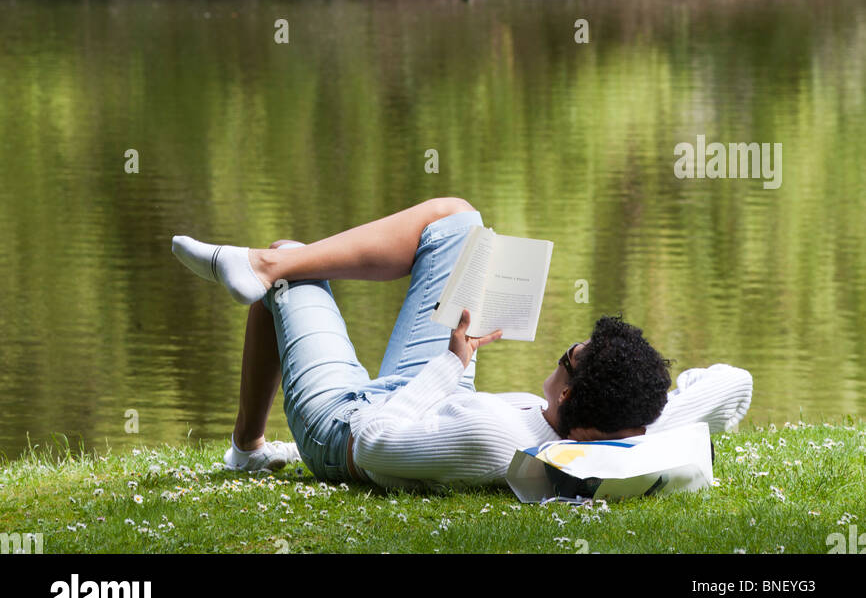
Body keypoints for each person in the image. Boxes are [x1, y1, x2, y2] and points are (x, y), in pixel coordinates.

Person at [172, 197, 753, 489]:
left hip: (345, 425)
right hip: (432, 389)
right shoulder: (633, 423)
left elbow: (375, 443)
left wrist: (454, 363)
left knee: (293, 269)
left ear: (572, 402)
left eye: (563, 363)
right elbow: (735, 385)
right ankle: (265, 264)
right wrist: (652, 417)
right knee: (457, 219)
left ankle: (248, 446)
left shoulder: (501, 437)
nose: (554, 365)